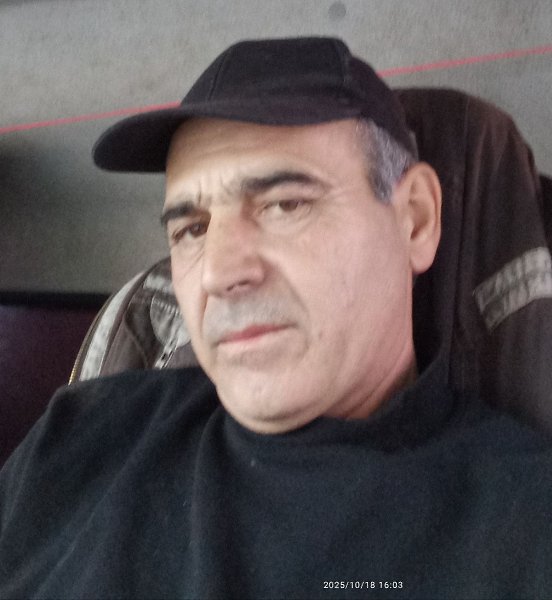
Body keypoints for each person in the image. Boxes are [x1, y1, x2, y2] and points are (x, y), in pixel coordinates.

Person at [0, 37, 550, 599]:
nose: (219, 273)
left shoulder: (525, 524)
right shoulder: (77, 437)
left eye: (285, 204)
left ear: (415, 220)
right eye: (191, 229)